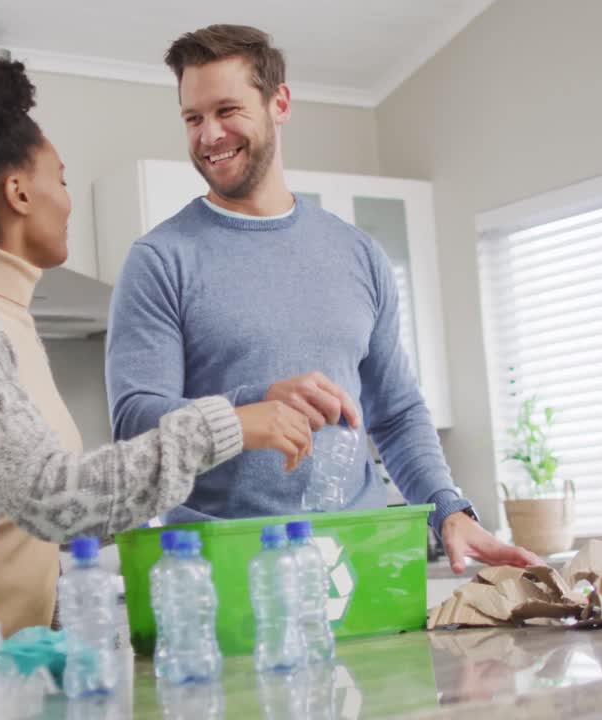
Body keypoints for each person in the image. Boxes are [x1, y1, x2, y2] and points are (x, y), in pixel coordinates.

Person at [0, 54, 313, 636]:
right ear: (19, 193)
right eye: (58, 177)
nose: (67, 197)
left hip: (9, 671)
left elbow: (50, 521)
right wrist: (228, 424)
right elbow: (55, 500)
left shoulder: (5, 319)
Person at [105, 25, 540, 574]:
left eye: (228, 111)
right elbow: (135, 424)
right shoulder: (161, 259)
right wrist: (254, 402)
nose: (209, 135)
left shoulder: (357, 253)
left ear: (279, 102)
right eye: (193, 118)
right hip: (222, 570)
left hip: (361, 561)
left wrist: (448, 510)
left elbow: (398, 413)